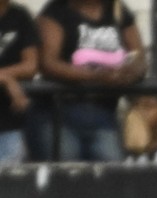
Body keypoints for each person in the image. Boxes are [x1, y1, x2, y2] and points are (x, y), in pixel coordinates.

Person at [31, 0, 147, 161]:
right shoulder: (56, 11)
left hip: (104, 112)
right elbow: (48, 63)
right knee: (67, 174)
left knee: (110, 175)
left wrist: (131, 72)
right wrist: (97, 76)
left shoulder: (118, 10)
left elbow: (138, 56)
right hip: (59, 113)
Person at [0, 1, 38, 164]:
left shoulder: (20, 15)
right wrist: (6, 79)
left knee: (10, 184)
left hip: (9, 120)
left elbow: (31, 66)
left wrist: (4, 76)